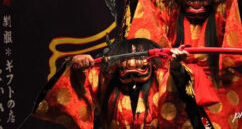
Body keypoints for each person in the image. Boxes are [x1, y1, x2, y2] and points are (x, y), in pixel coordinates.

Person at [123, 0, 242, 129]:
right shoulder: (170, 9)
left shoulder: (220, 10)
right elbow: (147, 11)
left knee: (240, 85)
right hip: (175, 74)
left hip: (213, 77)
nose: (197, 4)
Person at [33, 38, 219, 129]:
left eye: (139, 56)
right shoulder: (104, 80)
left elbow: (181, 90)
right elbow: (76, 87)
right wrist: (76, 66)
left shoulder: (164, 76)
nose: (132, 62)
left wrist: (177, 65)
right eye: (127, 56)